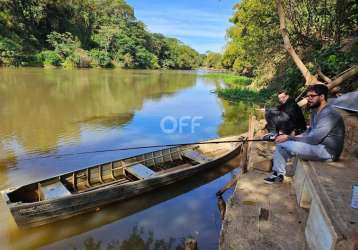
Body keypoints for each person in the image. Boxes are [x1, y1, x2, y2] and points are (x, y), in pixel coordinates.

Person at [264, 84, 345, 184]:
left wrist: (289, 137)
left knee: (283, 143)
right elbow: (309, 131)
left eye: (312, 96)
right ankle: (278, 174)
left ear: (322, 97)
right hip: (317, 146)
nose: (309, 99)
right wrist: (291, 137)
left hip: (327, 151)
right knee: (282, 142)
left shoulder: (330, 114)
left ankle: (278, 174)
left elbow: (314, 139)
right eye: (308, 96)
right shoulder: (315, 111)